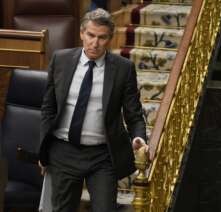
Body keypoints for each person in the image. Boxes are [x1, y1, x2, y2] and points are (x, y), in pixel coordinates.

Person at [37, 8, 148, 212]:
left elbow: (134, 114)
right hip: (64, 151)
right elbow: (48, 108)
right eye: (90, 35)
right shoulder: (60, 60)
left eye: (101, 37)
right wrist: (45, 149)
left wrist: (139, 138)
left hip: (101, 156)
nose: (94, 43)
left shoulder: (123, 69)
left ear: (110, 39)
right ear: (81, 33)